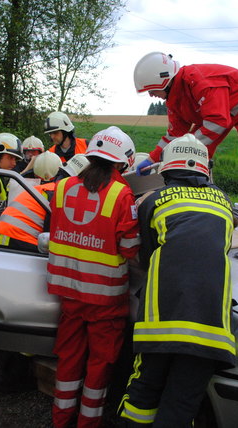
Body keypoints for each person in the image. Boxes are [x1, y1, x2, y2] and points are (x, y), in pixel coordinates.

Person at [119, 134, 236, 427]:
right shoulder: (225, 202)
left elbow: (146, 257)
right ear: (205, 169)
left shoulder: (154, 200)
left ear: (165, 170)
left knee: (142, 394)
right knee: (183, 404)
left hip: (161, 320)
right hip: (211, 328)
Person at [46, 126, 140, 428]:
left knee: (69, 359)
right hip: (105, 299)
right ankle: (88, 423)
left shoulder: (62, 188)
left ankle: (61, 420)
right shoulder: (121, 193)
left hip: (69, 292)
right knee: (99, 366)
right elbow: (128, 249)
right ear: (122, 161)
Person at [132, 51, 238, 234]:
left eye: (151, 90)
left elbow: (217, 122)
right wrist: (152, 159)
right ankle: (196, 200)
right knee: (195, 154)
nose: (152, 96)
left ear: (164, 81)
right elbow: (174, 135)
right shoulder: (174, 99)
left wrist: (183, 149)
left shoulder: (200, 81)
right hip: (216, 114)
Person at [0, 151, 64, 252]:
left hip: (2, 234)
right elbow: (52, 230)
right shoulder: (52, 191)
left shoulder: (24, 185)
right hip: (18, 239)